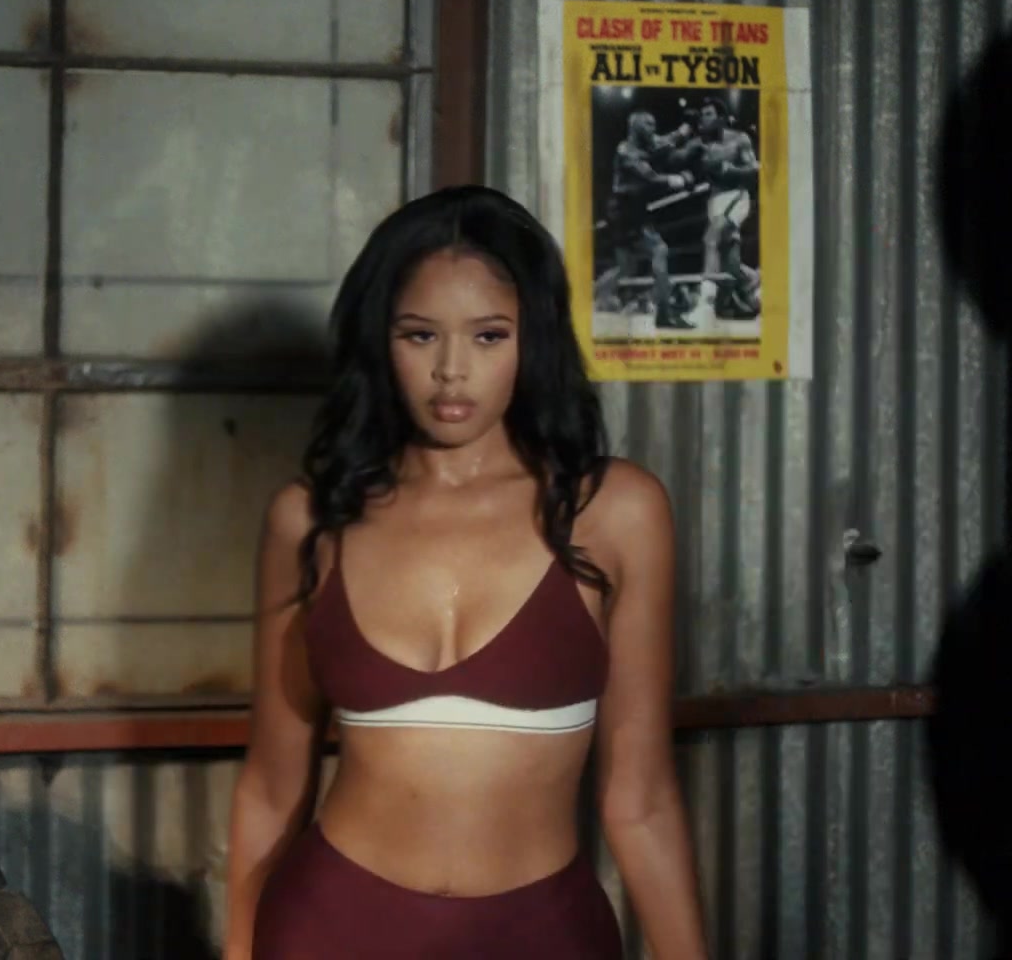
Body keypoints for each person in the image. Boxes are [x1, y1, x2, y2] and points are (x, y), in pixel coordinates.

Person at [223, 185, 709, 958]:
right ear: (381, 342)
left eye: (488, 336)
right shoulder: (312, 519)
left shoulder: (616, 512)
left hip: (543, 935)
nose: (452, 371)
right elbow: (272, 788)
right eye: (420, 335)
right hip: (330, 925)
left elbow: (640, 800)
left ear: (534, 339)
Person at [607, 110, 696, 330]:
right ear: (635, 128)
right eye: (648, 125)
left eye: (654, 124)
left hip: (634, 211)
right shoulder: (627, 152)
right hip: (624, 213)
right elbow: (650, 178)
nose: (653, 129)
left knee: (630, 266)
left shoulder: (645, 143)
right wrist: (678, 180)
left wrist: (684, 130)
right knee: (658, 251)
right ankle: (664, 313)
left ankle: (662, 310)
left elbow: (664, 141)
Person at [681, 98, 760, 319]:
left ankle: (706, 301)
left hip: (736, 196)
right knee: (728, 257)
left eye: (708, 114)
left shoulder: (739, 139)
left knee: (711, 238)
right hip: (714, 201)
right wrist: (685, 177)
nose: (703, 118)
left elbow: (755, 170)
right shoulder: (699, 144)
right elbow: (678, 159)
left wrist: (731, 170)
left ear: (721, 118)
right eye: (702, 115)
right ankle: (749, 280)